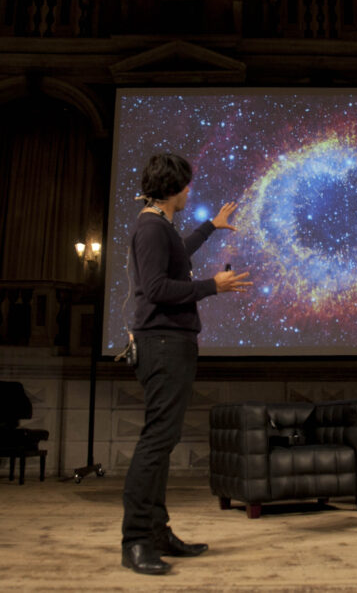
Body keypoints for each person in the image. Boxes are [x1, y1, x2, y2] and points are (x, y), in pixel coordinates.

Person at [121, 153, 251, 576]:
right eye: (186, 184)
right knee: (156, 442)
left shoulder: (160, 226)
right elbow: (157, 287)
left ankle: (157, 532)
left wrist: (211, 226)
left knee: (162, 440)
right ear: (173, 188)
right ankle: (136, 540)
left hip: (170, 343)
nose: (189, 190)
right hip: (162, 345)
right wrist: (212, 286)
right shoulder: (151, 227)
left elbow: (177, 253)